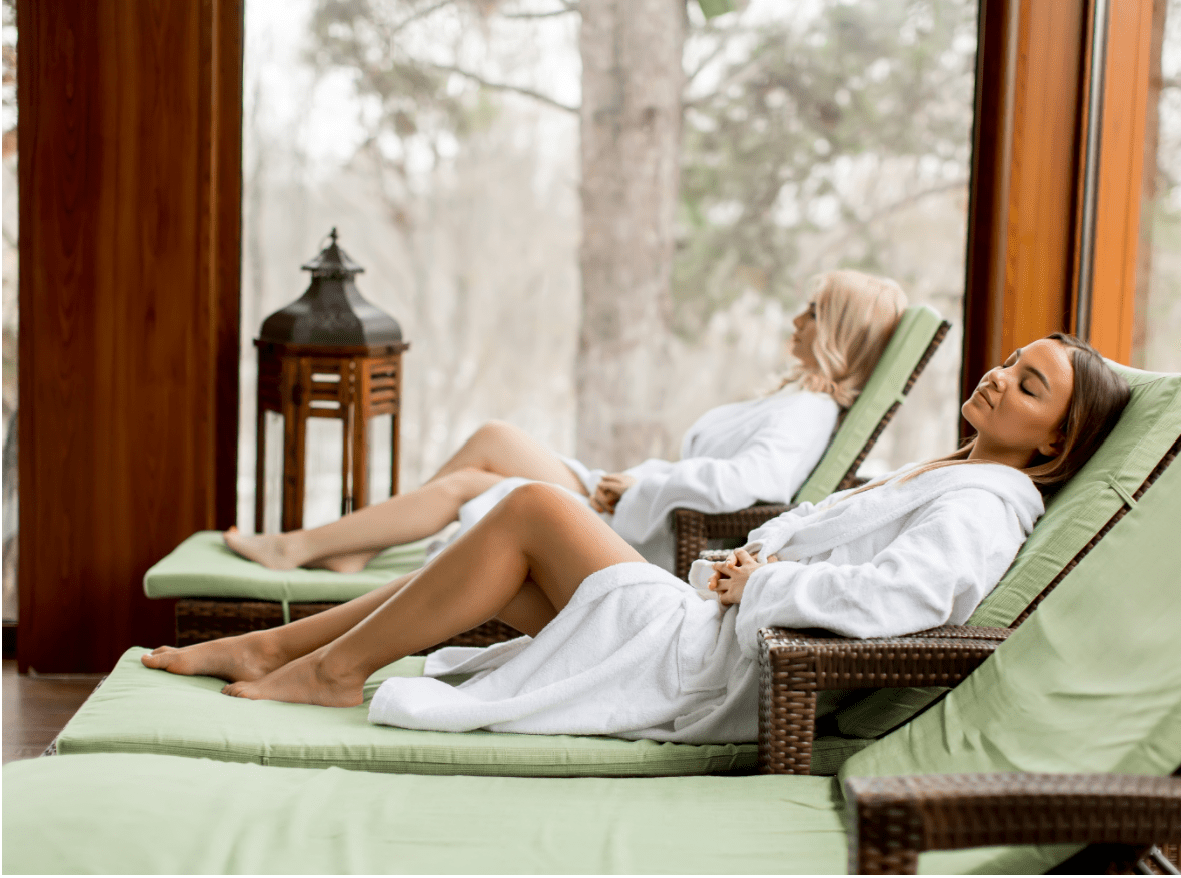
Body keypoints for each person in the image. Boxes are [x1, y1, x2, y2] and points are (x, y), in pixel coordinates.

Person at [144, 333, 1130, 746]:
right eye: (1007, 361)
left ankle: (313, 664)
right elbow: (814, 548)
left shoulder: (989, 502)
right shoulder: (951, 470)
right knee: (494, 554)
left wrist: (761, 581)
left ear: (1055, 438)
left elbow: (909, 601)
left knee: (531, 508)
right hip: (710, 625)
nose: (998, 377)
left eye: (1027, 383)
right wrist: (748, 565)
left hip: (733, 667)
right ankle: (282, 646)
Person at [223, 269, 910, 574]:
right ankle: (353, 547)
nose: (797, 319)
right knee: (493, 438)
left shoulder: (807, 412)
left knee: (469, 483)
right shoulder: (797, 399)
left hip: (642, 539)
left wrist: (637, 486)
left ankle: (300, 549)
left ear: (840, 333)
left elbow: (744, 485)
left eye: (814, 311)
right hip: (633, 506)